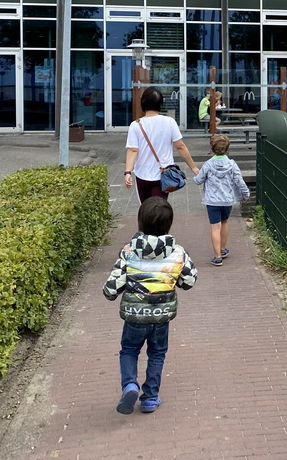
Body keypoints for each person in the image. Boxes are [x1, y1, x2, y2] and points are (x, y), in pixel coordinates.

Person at [103, 197, 197, 415]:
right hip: (161, 316)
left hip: (134, 316)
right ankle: (150, 398)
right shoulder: (179, 253)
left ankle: (130, 385)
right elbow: (189, 281)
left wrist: (117, 290)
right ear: (169, 224)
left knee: (129, 350)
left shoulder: (128, 252)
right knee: (157, 354)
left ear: (140, 222)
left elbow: (110, 289)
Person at [124, 86, 199, 202]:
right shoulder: (169, 122)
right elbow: (180, 146)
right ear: (160, 104)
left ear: (142, 103)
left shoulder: (135, 125)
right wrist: (193, 167)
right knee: (159, 210)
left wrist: (128, 172)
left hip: (142, 175)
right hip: (163, 175)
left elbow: (133, 150)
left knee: (145, 210)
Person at [194, 133, 250, 267]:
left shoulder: (208, 164)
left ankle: (217, 256)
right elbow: (239, 181)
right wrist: (245, 195)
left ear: (212, 148)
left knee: (215, 227)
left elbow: (198, 181)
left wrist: (195, 174)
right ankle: (223, 250)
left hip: (212, 201)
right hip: (227, 200)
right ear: (227, 148)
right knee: (224, 222)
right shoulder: (232, 164)